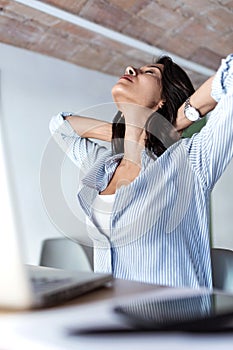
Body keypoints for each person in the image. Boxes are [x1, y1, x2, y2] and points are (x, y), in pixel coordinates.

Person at [49, 54, 233, 289]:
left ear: (163, 101)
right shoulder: (103, 166)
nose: (130, 68)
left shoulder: (191, 161)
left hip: (169, 321)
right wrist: (126, 132)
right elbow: (60, 125)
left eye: (150, 72)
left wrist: (178, 119)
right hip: (107, 317)